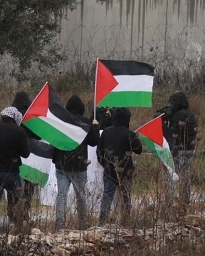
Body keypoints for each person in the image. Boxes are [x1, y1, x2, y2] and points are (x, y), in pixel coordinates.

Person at [53, 95, 98, 230]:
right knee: (81, 197)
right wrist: (95, 127)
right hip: (79, 165)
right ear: (81, 108)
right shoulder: (85, 122)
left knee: (61, 196)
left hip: (61, 165)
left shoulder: (61, 122)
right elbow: (94, 141)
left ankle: (59, 225)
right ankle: (83, 224)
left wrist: (55, 159)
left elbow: (54, 141)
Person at [0, 107, 31, 229]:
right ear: (15, 117)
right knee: (15, 203)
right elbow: (26, 153)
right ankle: (16, 229)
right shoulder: (19, 131)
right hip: (12, 173)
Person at [97, 107, 142, 223]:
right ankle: (126, 220)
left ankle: (103, 221)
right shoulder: (129, 134)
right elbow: (139, 150)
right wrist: (136, 138)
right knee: (126, 197)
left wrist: (105, 164)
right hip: (126, 171)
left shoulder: (106, 132)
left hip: (109, 170)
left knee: (107, 196)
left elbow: (99, 152)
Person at [163, 91, 198, 202]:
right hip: (190, 149)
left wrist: (163, 125)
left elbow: (173, 133)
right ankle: (185, 197)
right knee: (185, 174)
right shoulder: (190, 113)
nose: (171, 107)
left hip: (179, 149)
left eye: (172, 104)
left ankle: (170, 199)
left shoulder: (178, 115)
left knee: (173, 174)